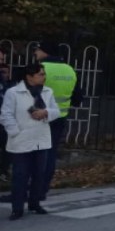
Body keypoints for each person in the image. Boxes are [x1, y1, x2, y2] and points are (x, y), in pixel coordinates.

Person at [0, 63, 61, 220]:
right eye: (40, 74)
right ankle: (17, 208)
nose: (44, 77)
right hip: (21, 140)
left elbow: (56, 111)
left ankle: (34, 203)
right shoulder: (13, 92)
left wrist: (45, 112)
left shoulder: (47, 92)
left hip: (41, 139)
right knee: (20, 175)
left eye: (43, 74)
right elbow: (6, 114)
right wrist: (15, 132)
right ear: (29, 76)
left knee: (38, 174)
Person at [34, 41, 82, 200]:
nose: (35, 52)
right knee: (50, 153)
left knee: (33, 154)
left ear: (45, 52)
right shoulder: (69, 69)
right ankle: (42, 190)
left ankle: (30, 189)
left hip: (38, 117)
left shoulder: (40, 69)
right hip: (60, 117)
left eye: (38, 50)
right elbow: (78, 98)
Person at [0, 63, 14, 182]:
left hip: (6, 123)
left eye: (5, 72)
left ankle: (4, 171)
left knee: (7, 148)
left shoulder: (12, 88)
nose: (4, 75)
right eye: (2, 72)